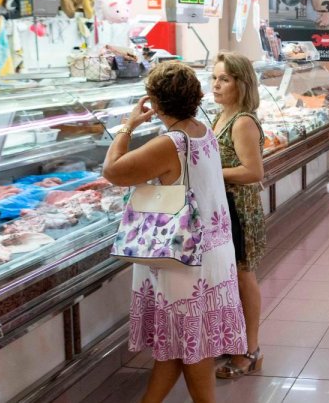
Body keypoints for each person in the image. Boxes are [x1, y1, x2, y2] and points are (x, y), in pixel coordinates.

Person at [102, 62, 246, 403]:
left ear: (154, 101)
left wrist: (127, 126)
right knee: (178, 346)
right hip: (212, 252)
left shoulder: (171, 143)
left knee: (192, 349)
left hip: (184, 260)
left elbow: (113, 171)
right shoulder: (202, 130)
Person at [210, 53, 268, 380]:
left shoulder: (243, 121)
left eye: (225, 79)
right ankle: (234, 341)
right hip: (223, 209)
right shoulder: (220, 116)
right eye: (214, 78)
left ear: (241, 84)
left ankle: (250, 351)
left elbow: (253, 171)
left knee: (244, 278)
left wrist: (209, 173)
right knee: (230, 279)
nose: (216, 85)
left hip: (240, 210)